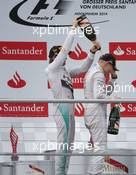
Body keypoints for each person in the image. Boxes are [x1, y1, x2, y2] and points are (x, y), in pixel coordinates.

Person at [45, 18, 101, 175]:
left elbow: (83, 68)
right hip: (61, 112)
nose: (67, 57)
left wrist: (92, 52)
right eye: (63, 55)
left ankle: (64, 172)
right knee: (62, 144)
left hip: (70, 113)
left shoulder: (66, 71)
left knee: (68, 145)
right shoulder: (51, 69)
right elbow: (64, 52)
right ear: (55, 56)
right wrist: (73, 28)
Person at [84, 53, 118, 174]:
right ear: (108, 63)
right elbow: (99, 95)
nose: (110, 72)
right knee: (100, 148)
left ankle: (91, 172)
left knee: (97, 147)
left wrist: (113, 79)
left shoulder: (93, 71)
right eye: (112, 69)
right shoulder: (98, 73)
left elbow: (105, 93)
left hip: (91, 112)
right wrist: (114, 100)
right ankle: (94, 173)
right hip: (95, 113)